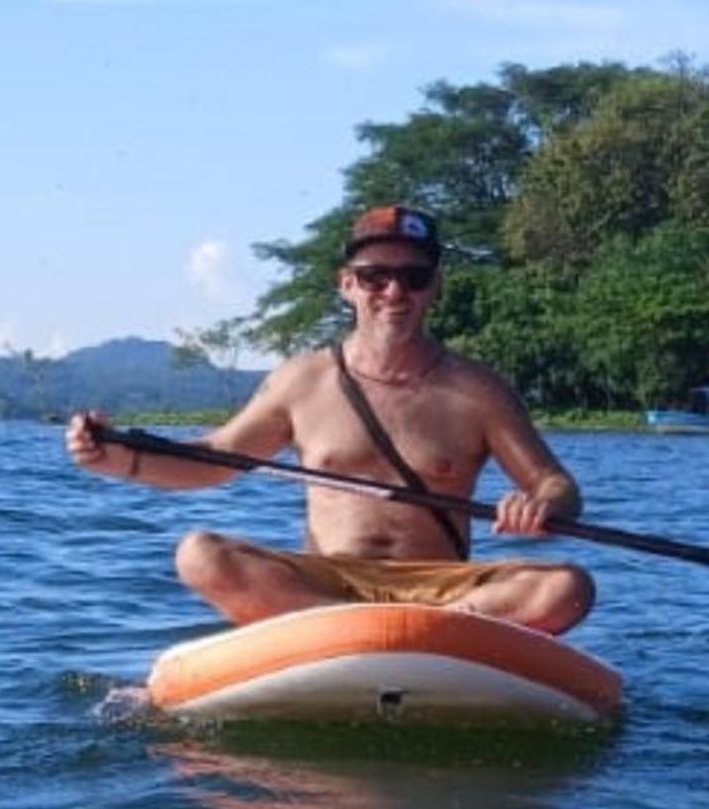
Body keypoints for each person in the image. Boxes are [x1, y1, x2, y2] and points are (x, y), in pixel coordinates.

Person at [65, 205, 594, 635]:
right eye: (374, 277)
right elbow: (213, 462)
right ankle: (350, 630)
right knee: (199, 554)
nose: (393, 293)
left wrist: (540, 505)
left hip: (444, 587)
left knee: (567, 587)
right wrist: (117, 459)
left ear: (435, 286)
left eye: (413, 277)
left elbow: (555, 484)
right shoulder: (303, 381)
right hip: (327, 581)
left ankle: (427, 632)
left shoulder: (477, 390)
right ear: (347, 285)